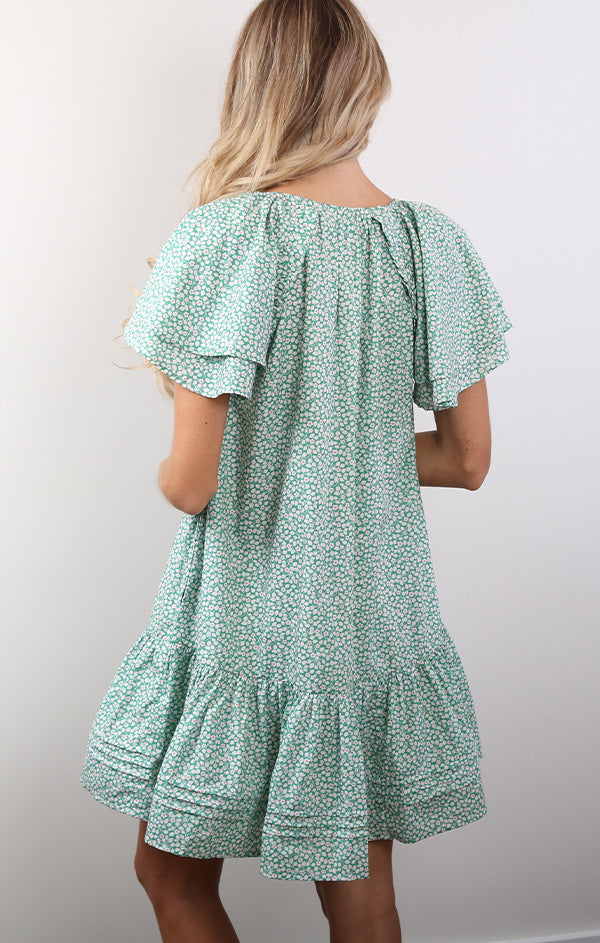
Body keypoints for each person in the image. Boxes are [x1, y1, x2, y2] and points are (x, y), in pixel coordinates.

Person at [79, 0, 513, 940]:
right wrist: (339, 448)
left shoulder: (227, 237)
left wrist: (216, 437)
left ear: (256, 88)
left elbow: (190, 482)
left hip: (246, 618)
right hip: (369, 617)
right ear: (366, 84)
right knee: (361, 894)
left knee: (168, 872)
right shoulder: (429, 241)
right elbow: (467, 458)